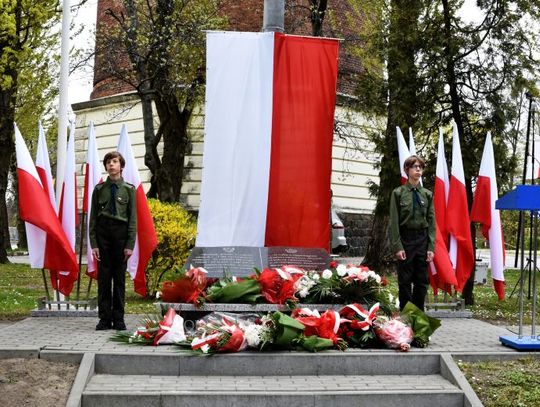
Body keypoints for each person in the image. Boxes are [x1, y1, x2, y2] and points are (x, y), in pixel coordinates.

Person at [89, 151, 137, 330]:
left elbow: (133, 219)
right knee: (103, 279)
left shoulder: (129, 190)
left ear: (121, 166)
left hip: (120, 235)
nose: (111, 165)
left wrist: (129, 245)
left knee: (118, 280)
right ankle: (104, 318)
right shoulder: (99, 189)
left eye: (115, 161)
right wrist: (94, 244)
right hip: (103, 236)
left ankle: (118, 318)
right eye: (108, 162)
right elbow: (93, 218)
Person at [389, 155, 435, 311]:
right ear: (407, 170)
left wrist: (431, 247)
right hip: (406, 240)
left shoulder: (427, 195)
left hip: (422, 239)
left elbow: (431, 222)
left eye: (420, 167)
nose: (418, 170)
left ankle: (418, 313)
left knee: (422, 281)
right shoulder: (398, 193)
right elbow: (394, 221)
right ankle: (406, 315)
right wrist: (397, 246)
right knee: (405, 281)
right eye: (415, 167)